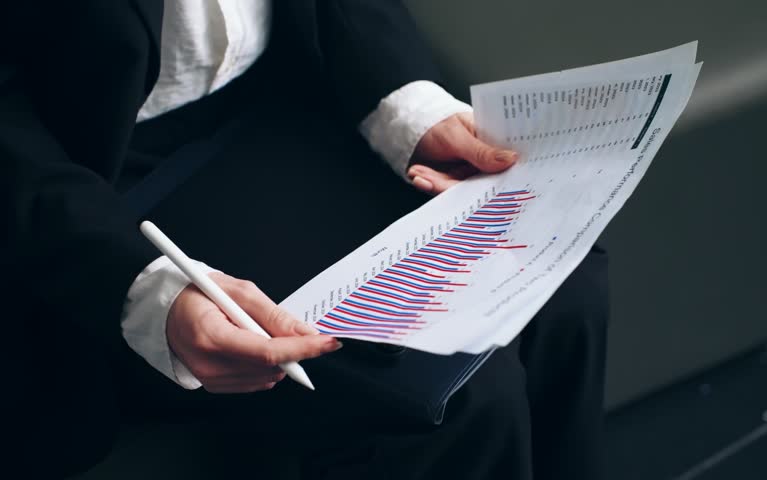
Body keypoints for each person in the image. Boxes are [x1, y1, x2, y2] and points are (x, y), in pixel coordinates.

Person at [2, 1, 609, 478]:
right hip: (95, 175)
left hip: (293, 87)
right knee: (459, 396)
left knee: (565, 282)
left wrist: (408, 108)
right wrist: (140, 288)